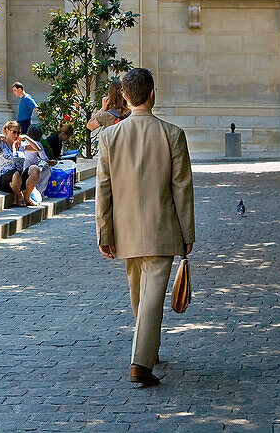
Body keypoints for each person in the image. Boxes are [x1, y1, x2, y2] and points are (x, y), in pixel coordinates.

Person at [96, 68, 195, 388]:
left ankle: (148, 349)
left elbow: (104, 189)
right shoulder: (173, 134)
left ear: (124, 97)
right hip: (162, 227)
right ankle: (140, 362)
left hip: (125, 230)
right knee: (150, 297)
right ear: (153, 94)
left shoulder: (109, 136)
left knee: (139, 294)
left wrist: (104, 233)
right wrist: (188, 234)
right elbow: (182, 188)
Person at [0, 120, 39, 208]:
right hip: (4, 180)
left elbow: (37, 149)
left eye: (18, 133)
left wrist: (26, 137)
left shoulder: (20, 145)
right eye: (13, 132)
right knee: (15, 173)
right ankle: (19, 197)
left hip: (19, 179)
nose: (16, 135)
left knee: (35, 169)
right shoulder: (1, 144)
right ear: (7, 131)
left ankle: (27, 198)